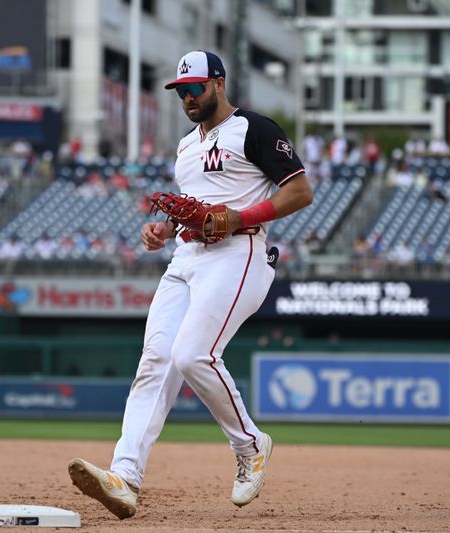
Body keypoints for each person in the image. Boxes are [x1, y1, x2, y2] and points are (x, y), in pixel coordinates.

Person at [67, 50, 313, 519]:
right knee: (156, 361)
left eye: (195, 87)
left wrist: (238, 216)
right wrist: (164, 227)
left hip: (239, 251)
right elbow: (195, 209)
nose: (187, 97)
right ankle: (124, 476)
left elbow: (300, 192)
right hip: (188, 256)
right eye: (180, 91)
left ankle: (251, 446)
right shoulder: (185, 146)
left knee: (192, 355)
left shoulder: (254, 129)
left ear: (219, 83)